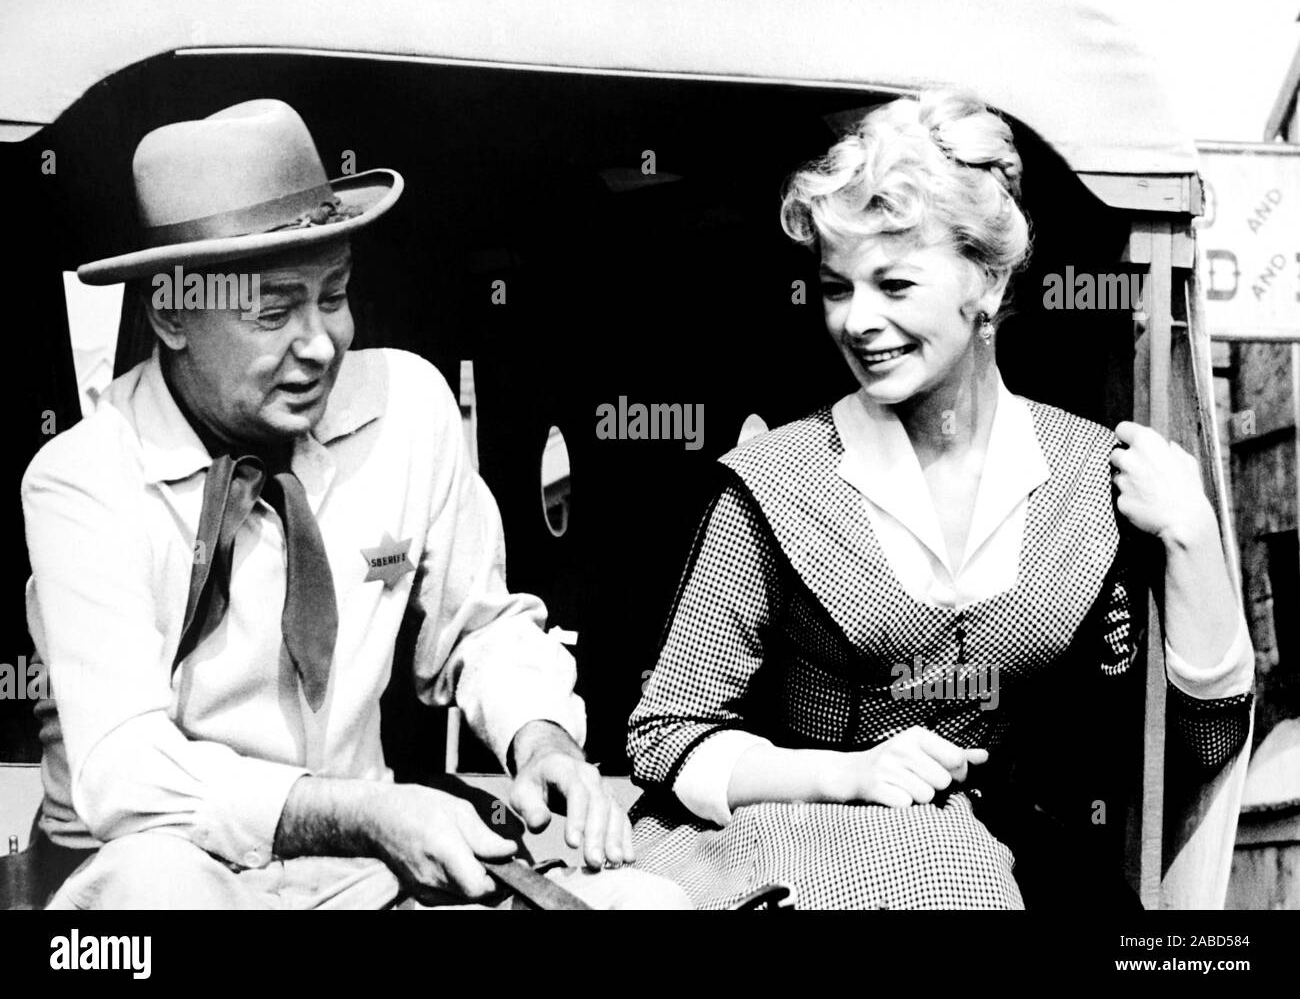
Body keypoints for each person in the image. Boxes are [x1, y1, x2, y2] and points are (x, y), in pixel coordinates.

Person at [23, 98, 688, 910]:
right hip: (161, 879)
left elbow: (480, 625)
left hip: (366, 884)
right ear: (170, 312)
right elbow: (126, 775)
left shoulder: (410, 406)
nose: (318, 343)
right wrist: (369, 812)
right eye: (273, 311)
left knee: (652, 903)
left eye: (333, 294)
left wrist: (539, 735)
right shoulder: (82, 480)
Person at [626, 89, 1255, 909]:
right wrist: (842, 775)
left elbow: (1195, 748)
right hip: (789, 848)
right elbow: (664, 733)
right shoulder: (777, 480)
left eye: (893, 282)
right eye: (835, 288)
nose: (858, 321)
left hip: (1001, 856)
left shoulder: (1088, 478)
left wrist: (1193, 536)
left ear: (986, 282)